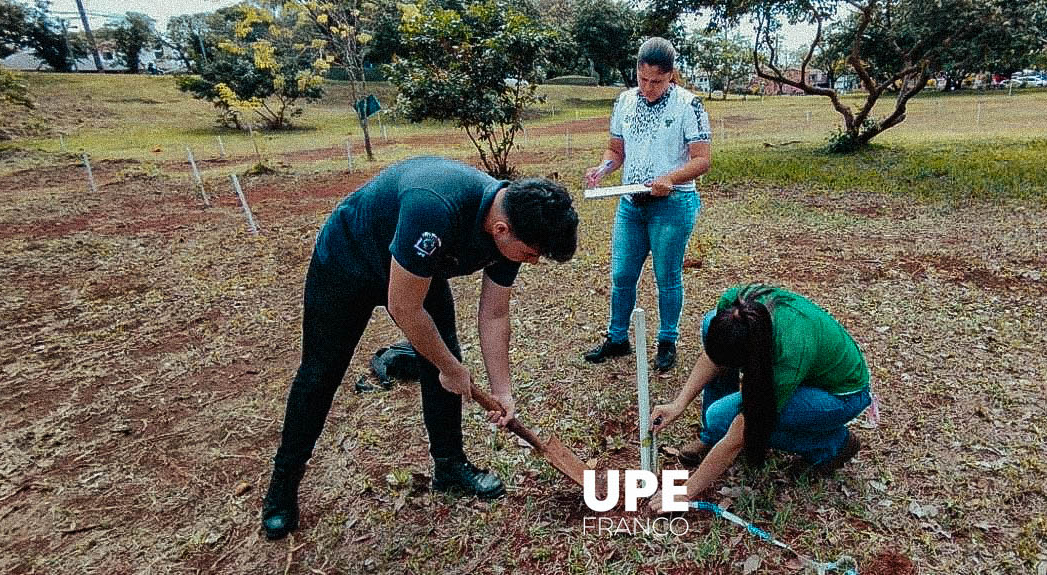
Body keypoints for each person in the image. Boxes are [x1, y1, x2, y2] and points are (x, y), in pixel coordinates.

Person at [261, 156, 579, 540]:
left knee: (443, 362)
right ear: (501, 229)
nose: (531, 260)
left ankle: (449, 466)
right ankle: (283, 485)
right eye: (530, 254)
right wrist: (450, 367)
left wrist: (502, 389)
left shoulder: (516, 224)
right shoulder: (435, 205)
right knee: (320, 373)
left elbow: (494, 313)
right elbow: (403, 307)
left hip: (419, 271)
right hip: (350, 261)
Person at [646, 284, 873, 513]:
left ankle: (834, 444)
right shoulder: (736, 307)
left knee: (722, 419)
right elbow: (715, 353)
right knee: (709, 323)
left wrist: (684, 492)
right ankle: (712, 438)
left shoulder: (787, 357)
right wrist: (679, 403)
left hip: (841, 396)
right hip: (804, 368)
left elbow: (741, 434)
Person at [582, 36, 711, 373]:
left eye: (657, 81)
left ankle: (667, 341)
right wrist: (603, 168)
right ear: (635, 72)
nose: (649, 87)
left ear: (671, 76)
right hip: (631, 202)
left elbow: (702, 160)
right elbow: (616, 151)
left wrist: (672, 178)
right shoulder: (624, 102)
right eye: (642, 79)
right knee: (622, 274)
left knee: (667, 276)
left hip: (672, 204)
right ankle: (617, 337)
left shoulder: (689, 105)